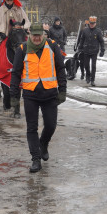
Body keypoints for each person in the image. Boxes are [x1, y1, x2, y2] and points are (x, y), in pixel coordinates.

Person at [9, 23, 67, 173]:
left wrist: (62, 90)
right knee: (32, 127)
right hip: (31, 95)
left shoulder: (52, 46)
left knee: (51, 125)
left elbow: (61, 68)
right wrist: (14, 96)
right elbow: (16, 73)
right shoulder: (22, 49)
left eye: (39, 35)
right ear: (29, 35)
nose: (36, 38)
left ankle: (44, 143)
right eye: (33, 35)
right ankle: (36, 158)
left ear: (43, 34)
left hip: (50, 94)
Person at [0, 0, 28, 69]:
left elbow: (25, 20)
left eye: (11, 0)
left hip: (18, 31)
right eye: (8, 0)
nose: (9, 2)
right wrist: (0, 32)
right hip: (4, 32)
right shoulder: (0, 10)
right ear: (5, 0)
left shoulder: (19, 9)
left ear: (13, 0)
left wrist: (25, 28)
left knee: (30, 41)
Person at [76, 15, 105, 86]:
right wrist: (80, 48)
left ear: (95, 24)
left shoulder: (98, 31)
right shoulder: (85, 30)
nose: (92, 25)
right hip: (86, 50)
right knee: (86, 65)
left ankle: (92, 79)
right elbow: (82, 40)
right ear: (89, 23)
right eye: (91, 23)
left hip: (94, 51)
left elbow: (101, 41)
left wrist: (102, 50)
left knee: (93, 66)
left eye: (93, 24)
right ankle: (88, 76)